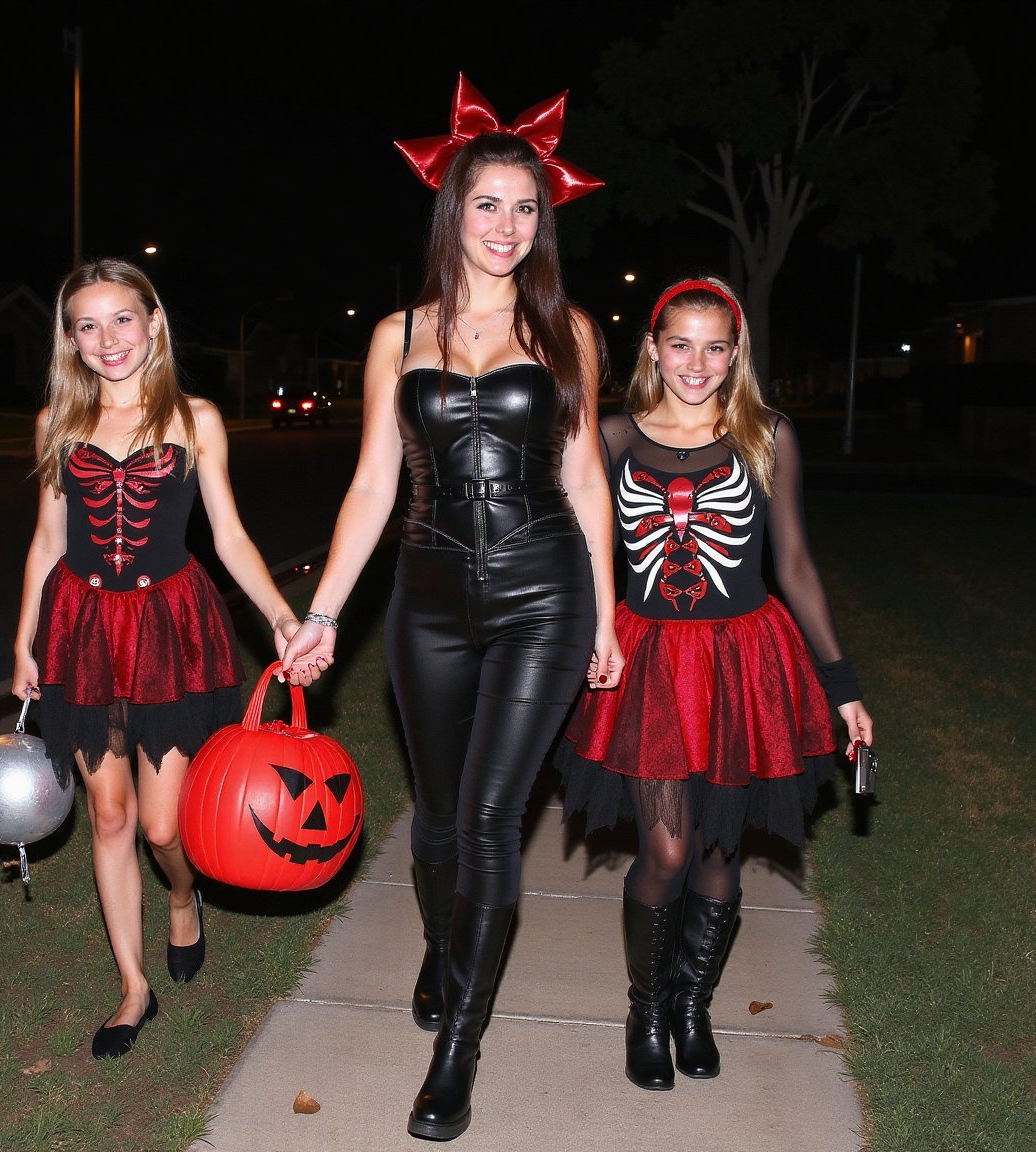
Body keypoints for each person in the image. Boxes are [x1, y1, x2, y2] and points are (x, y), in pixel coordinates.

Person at [280, 74, 623, 1141]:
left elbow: (584, 483)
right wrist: (325, 613)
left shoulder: (570, 332)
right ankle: (447, 942)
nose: (508, 226)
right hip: (426, 599)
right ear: (452, 211)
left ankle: (457, 1048)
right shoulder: (399, 333)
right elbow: (375, 486)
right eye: (489, 204)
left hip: (543, 598)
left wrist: (606, 618)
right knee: (435, 822)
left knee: (487, 820)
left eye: (527, 208)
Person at [554, 274, 876, 1092]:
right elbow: (574, 551)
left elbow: (795, 564)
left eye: (715, 347)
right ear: (654, 350)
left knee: (720, 848)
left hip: (742, 660)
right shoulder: (614, 435)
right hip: (651, 661)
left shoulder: (766, 435)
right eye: (681, 344)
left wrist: (842, 686)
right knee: (665, 846)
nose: (697, 363)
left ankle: (693, 1005)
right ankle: (647, 1011)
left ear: (736, 356)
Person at [10, 258, 319, 1061]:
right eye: (87, 324)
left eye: (121, 320)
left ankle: (184, 896)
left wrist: (284, 618)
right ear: (70, 340)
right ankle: (133, 989)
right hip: (80, 629)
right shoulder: (57, 424)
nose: (107, 339)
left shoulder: (194, 418)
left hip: (169, 629)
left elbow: (230, 538)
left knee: (160, 825)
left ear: (153, 324)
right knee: (107, 817)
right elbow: (48, 540)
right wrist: (24, 639)